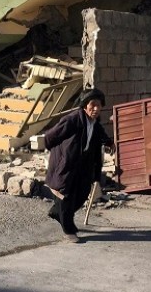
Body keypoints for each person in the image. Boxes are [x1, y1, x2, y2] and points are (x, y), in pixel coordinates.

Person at [44, 87, 114, 243]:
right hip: (67, 163)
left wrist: (109, 142)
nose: (96, 109)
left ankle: (58, 213)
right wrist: (59, 154)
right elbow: (50, 137)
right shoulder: (73, 119)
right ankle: (68, 230)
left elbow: (100, 132)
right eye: (92, 105)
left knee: (83, 193)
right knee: (66, 196)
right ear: (84, 105)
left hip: (83, 165)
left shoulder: (95, 123)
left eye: (99, 105)